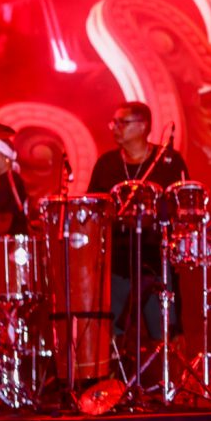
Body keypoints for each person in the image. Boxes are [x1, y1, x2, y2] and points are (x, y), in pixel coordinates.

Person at [88, 102, 188, 345]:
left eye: (122, 123)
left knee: (166, 336)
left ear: (143, 126)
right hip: (116, 262)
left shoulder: (169, 162)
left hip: (157, 261)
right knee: (110, 338)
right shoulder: (106, 164)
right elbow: (93, 209)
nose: (115, 128)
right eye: (114, 123)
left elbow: (184, 207)